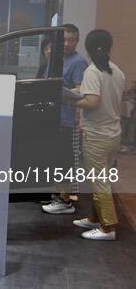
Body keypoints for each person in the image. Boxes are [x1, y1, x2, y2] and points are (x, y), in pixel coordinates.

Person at [70, 30, 124, 240]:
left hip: (97, 135)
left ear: (88, 48)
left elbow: (92, 102)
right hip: (113, 134)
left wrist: (70, 100)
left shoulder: (92, 71)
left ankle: (107, 228)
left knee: (100, 181)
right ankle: (95, 218)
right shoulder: (116, 71)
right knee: (99, 179)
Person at [42, 24, 88, 214]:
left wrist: (59, 92)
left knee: (64, 160)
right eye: (64, 40)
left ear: (77, 41)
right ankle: (56, 195)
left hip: (65, 119)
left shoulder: (78, 62)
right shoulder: (56, 58)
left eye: (71, 40)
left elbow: (81, 90)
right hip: (51, 118)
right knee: (54, 158)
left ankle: (65, 200)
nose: (67, 44)